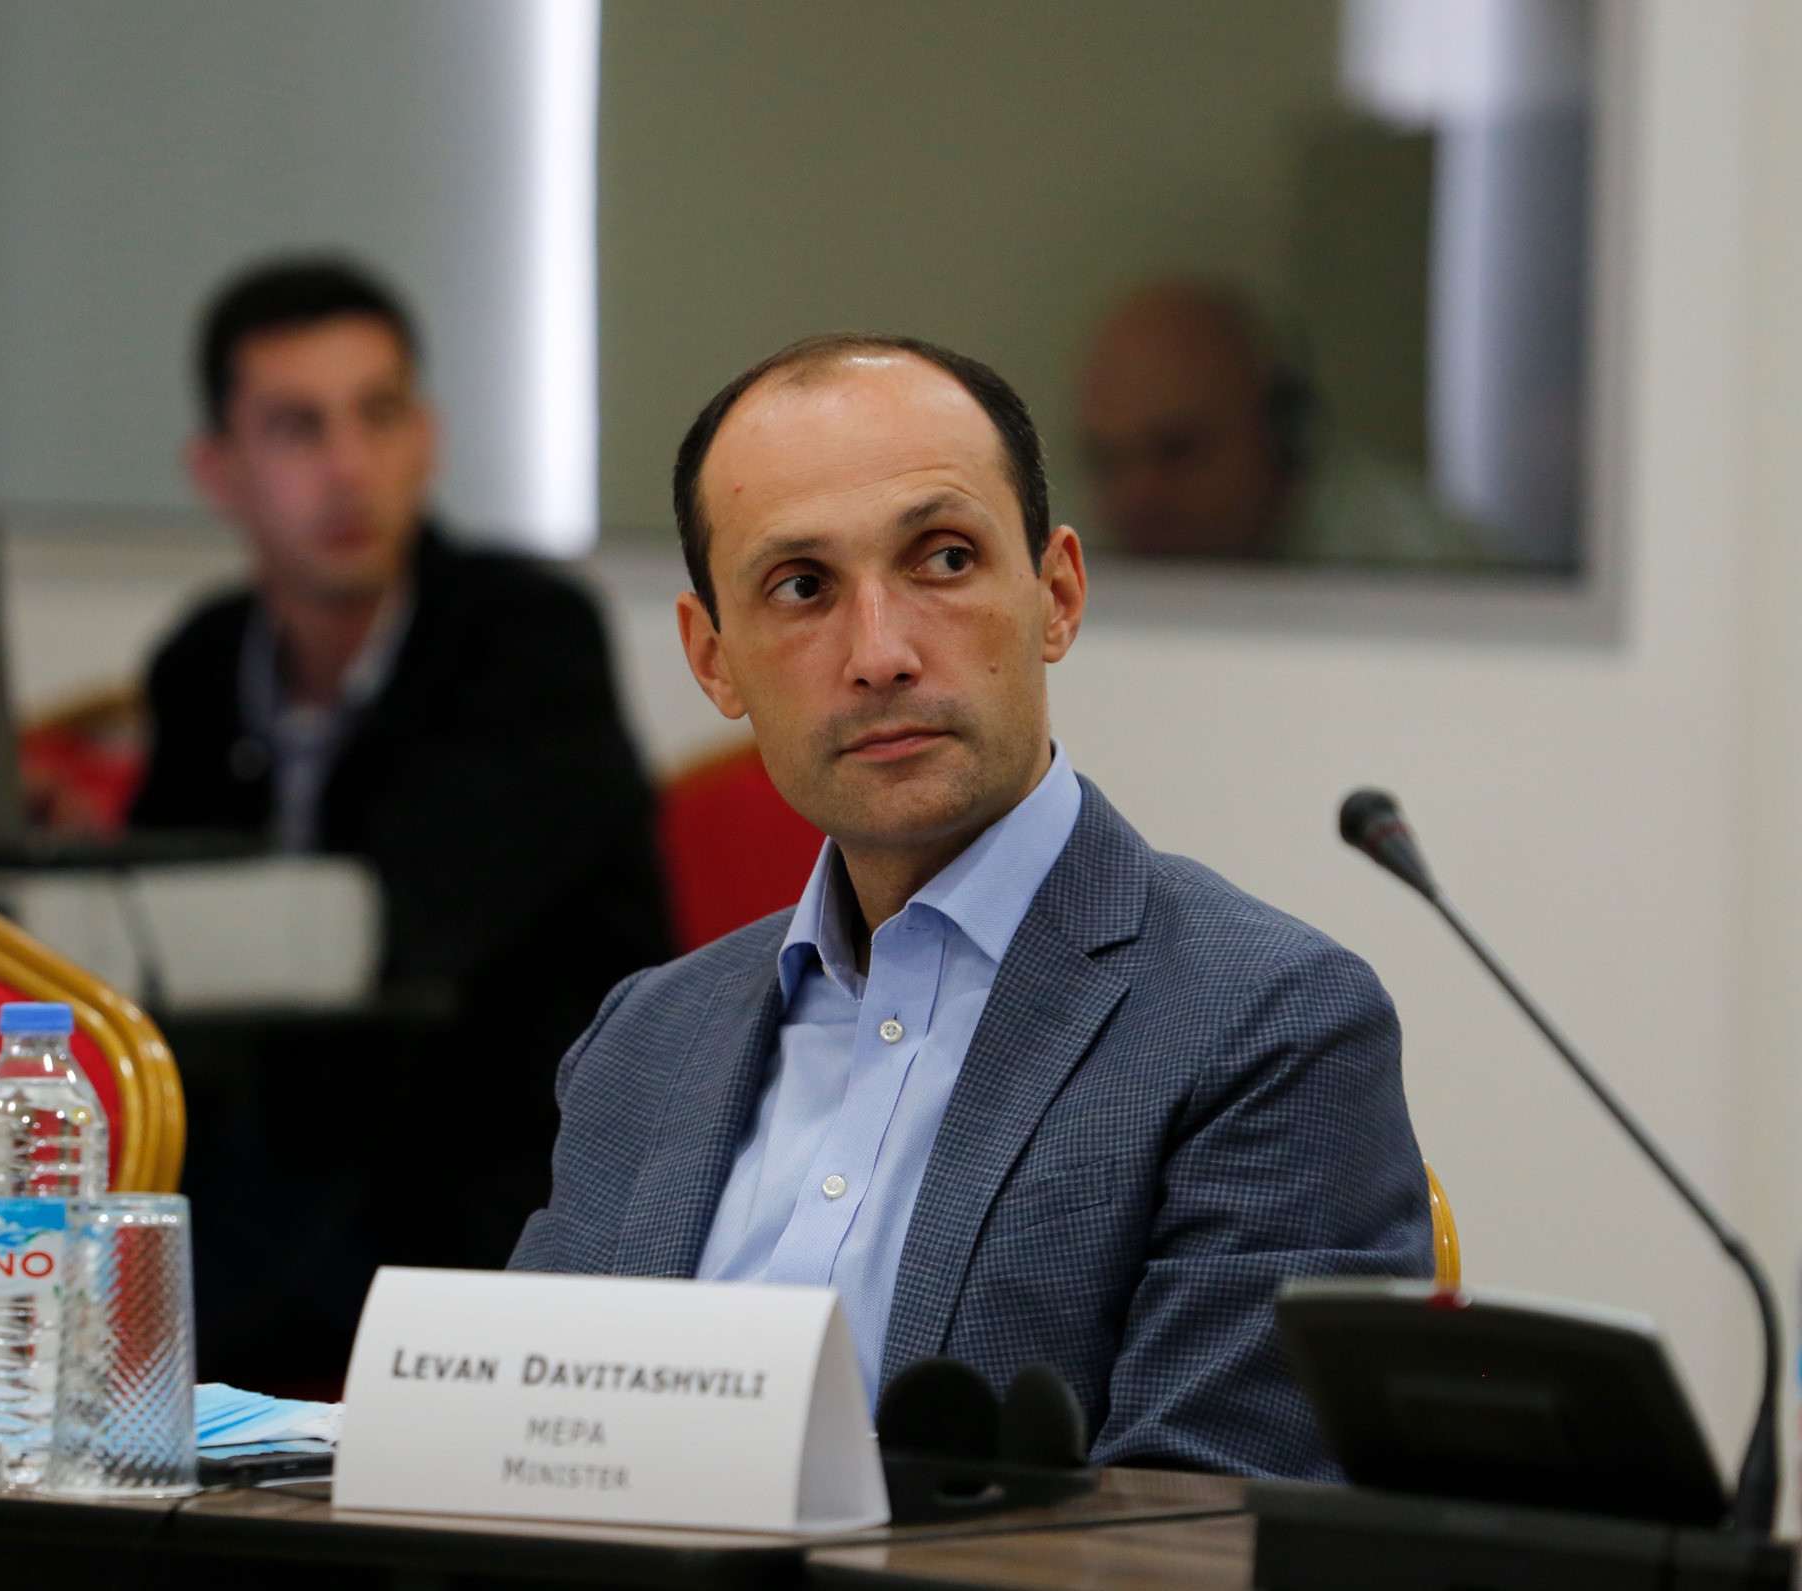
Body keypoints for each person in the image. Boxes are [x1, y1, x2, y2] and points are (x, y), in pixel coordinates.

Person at [511, 332, 1431, 1479]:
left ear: (1056, 595)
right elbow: (519, 1461)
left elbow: (1203, 1523)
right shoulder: (641, 1042)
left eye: (942, 560)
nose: (879, 653)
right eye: (800, 588)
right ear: (714, 660)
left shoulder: (1265, 1025)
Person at [132, 258, 673, 1380]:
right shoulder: (201, 660)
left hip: (510, 1177)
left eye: (378, 414)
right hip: (272, 1179)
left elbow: (406, 917)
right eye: (297, 427)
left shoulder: (528, 636)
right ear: (218, 470)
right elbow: (153, 936)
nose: (348, 467)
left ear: (426, 436)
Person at [1077, 276, 1483, 566]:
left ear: (1281, 432)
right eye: (1107, 462)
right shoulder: (1070, 562)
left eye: (1177, 451)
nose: (1137, 500)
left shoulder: (1422, 564)